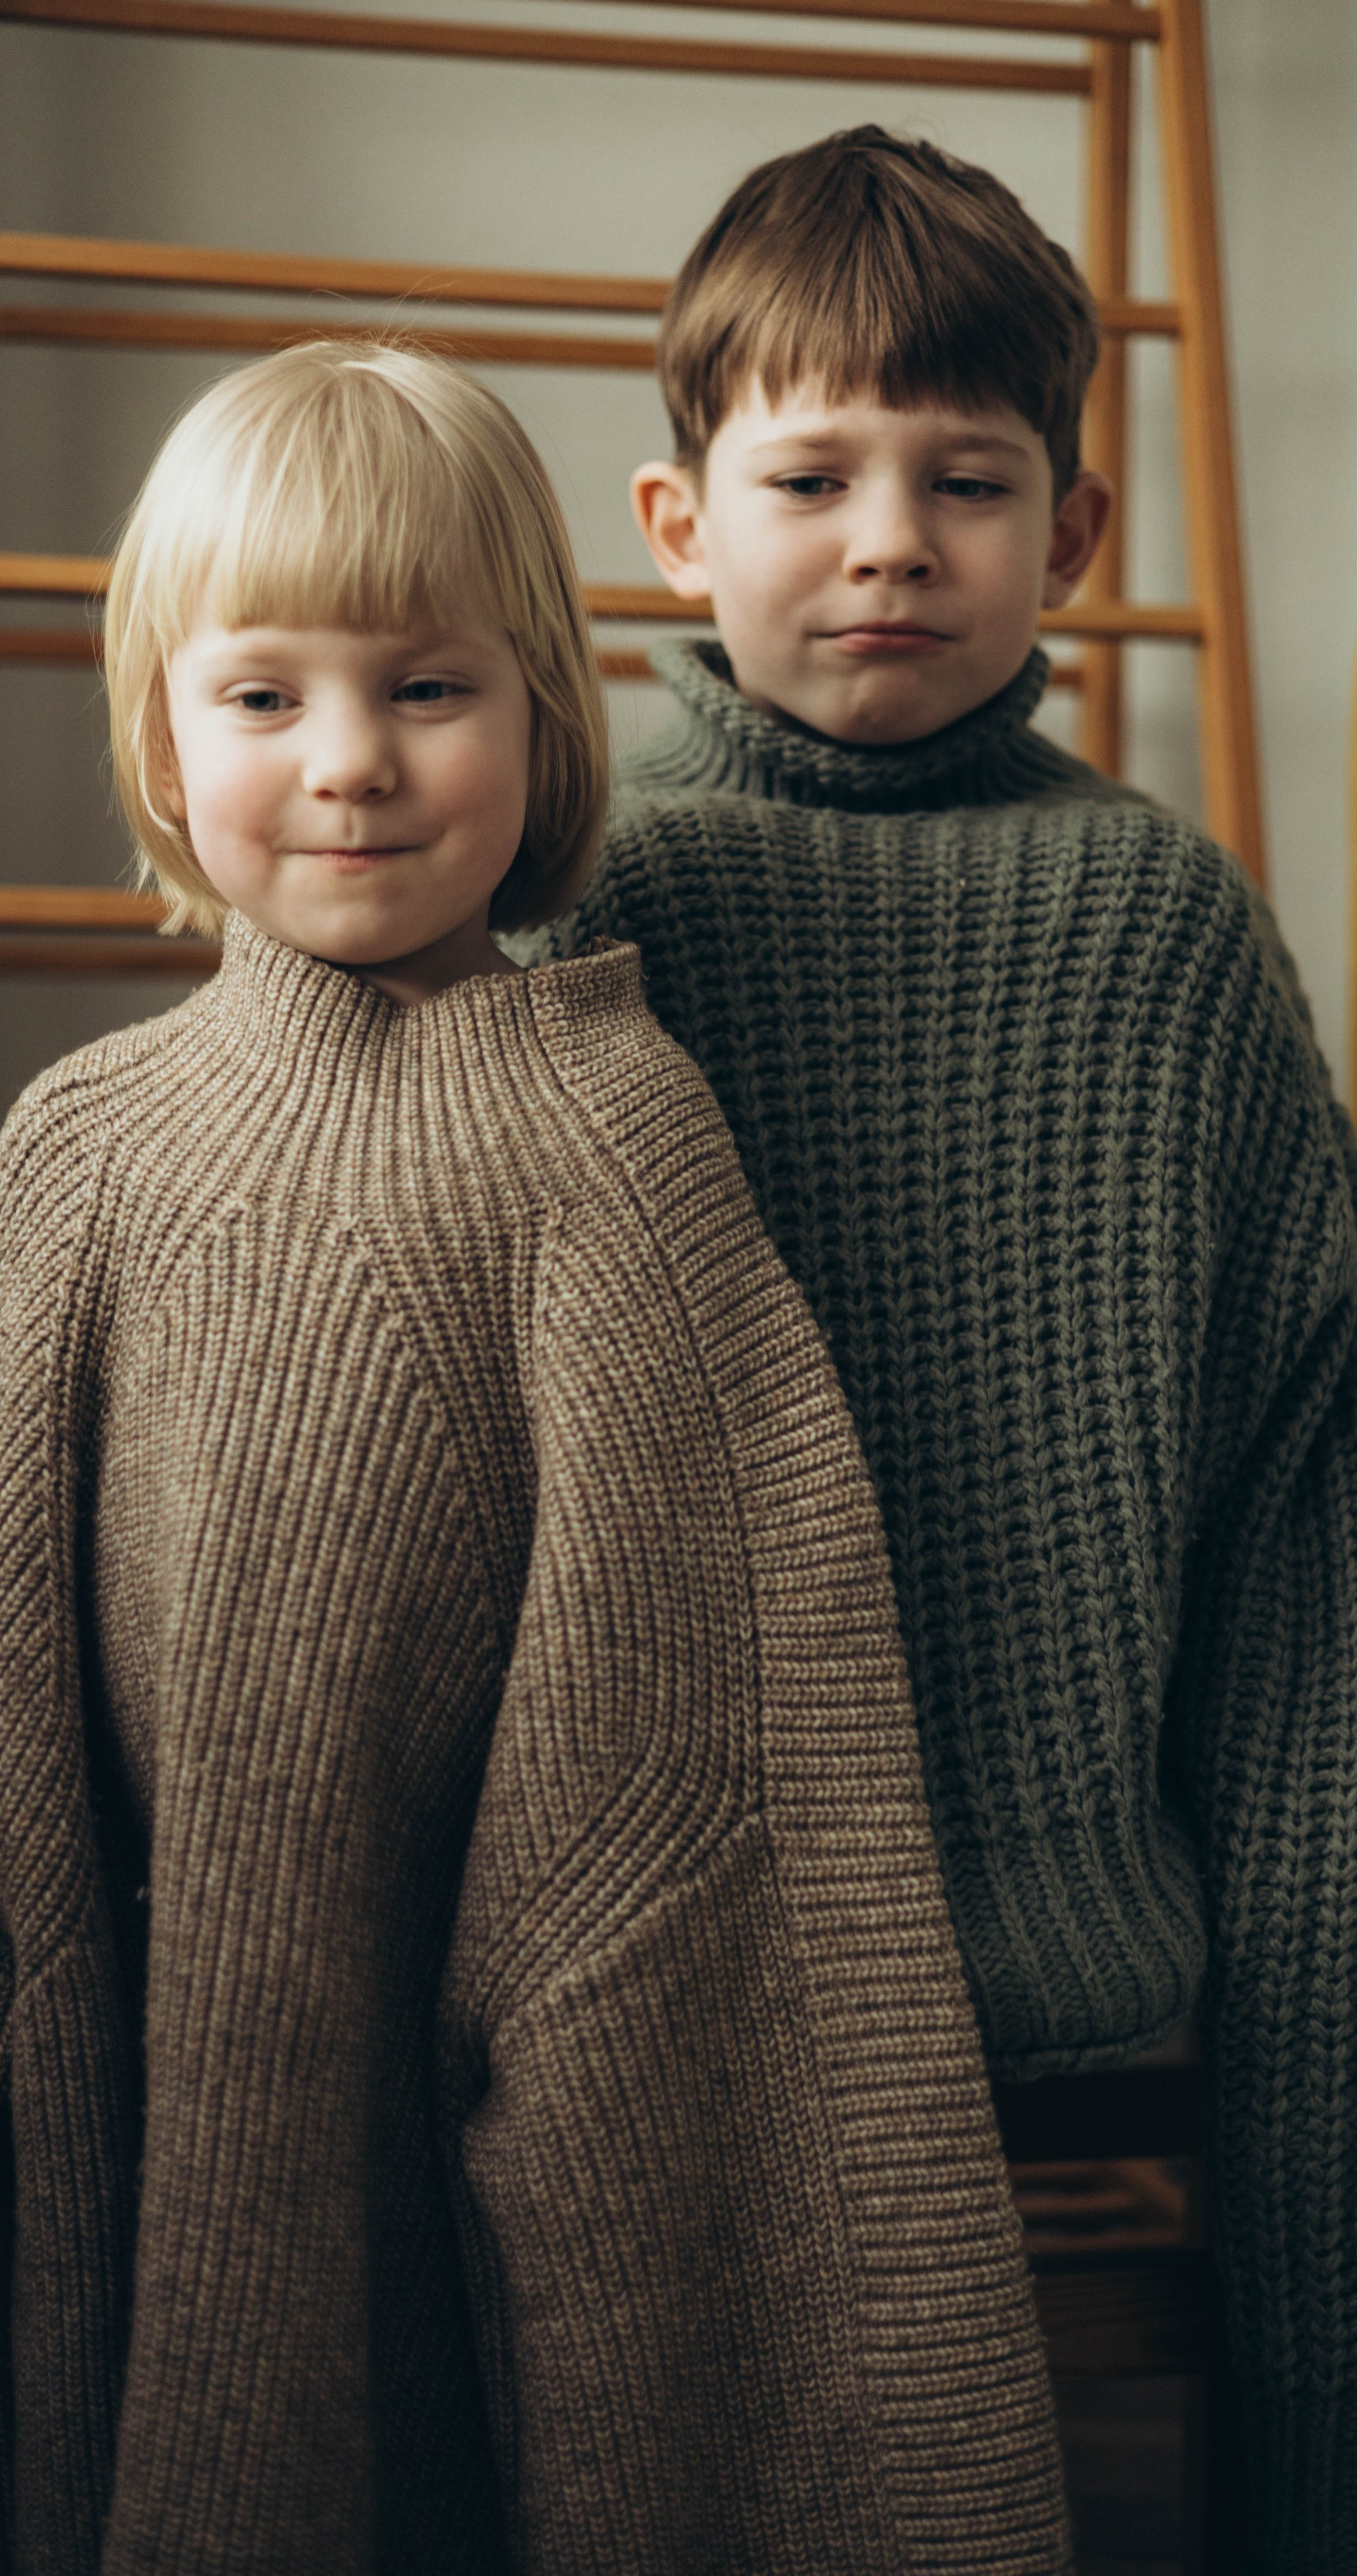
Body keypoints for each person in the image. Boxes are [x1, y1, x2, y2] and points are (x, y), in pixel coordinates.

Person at [0, 342, 1070, 2574]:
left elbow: (709, 1805)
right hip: (149, 2127)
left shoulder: (609, 1142)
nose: (351, 764)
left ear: (545, 719)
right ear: (162, 743)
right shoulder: (79, 1152)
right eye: (263, 696)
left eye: (429, 688)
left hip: (455, 2151)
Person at [556, 123, 1357, 2568]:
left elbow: (1299, 1520)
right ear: (682, 525)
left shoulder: (1170, 929)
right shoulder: (585, 898)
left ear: (1074, 538)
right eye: (813, 473)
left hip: (1076, 1962)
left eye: (969, 478)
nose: (892, 535)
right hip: (648, 1973)